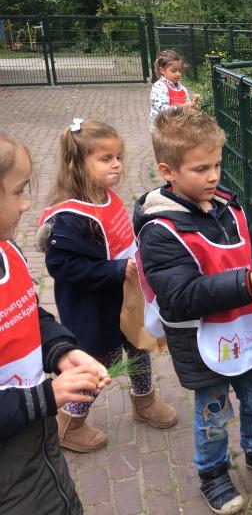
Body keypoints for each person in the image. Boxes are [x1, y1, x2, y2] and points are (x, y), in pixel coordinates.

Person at [134, 106, 252, 515]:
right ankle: (212, 472)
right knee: (213, 412)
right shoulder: (160, 231)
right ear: (167, 170)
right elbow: (179, 296)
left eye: (217, 165)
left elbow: (251, 252)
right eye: (200, 168)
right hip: (203, 343)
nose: (213, 176)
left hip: (249, 328)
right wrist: (248, 284)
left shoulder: (229, 205)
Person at [37, 118, 178, 453]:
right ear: (77, 165)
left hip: (124, 300)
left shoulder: (106, 197)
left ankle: (144, 402)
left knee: (139, 347)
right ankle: (69, 423)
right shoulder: (70, 218)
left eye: (118, 157)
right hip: (94, 311)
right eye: (106, 159)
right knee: (98, 365)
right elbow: (62, 265)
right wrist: (114, 270)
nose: (116, 164)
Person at [0, 132, 111, 514]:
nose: (27, 203)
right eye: (17, 192)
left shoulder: (6, 250)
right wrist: (46, 397)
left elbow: (27, 313)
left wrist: (62, 351)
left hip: (38, 450)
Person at [150, 49, 200, 128]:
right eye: (174, 71)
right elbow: (163, 111)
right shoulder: (159, 86)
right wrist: (183, 107)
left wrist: (192, 107)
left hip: (179, 127)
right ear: (162, 70)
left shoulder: (183, 89)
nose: (178, 74)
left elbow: (187, 104)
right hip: (163, 130)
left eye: (180, 71)